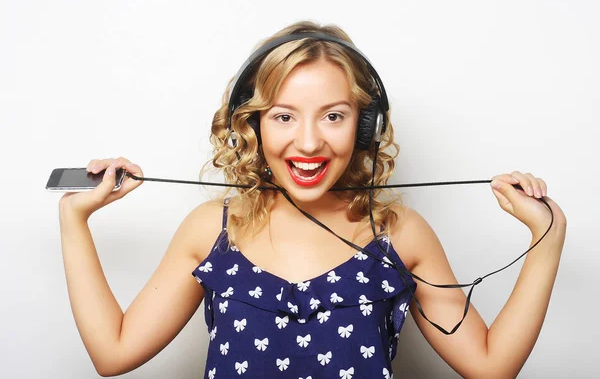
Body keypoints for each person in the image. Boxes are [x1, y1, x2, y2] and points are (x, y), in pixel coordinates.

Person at [58, 21, 567, 378]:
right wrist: (74, 219)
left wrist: (548, 237)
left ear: (365, 125)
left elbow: (491, 366)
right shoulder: (213, 229)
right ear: (251, 125)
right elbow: (113, 353)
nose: (308, 143)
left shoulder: (399, 233)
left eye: (333, 115)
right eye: (283, 116)